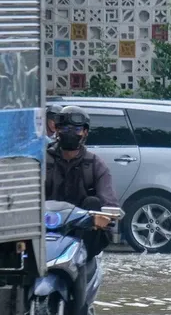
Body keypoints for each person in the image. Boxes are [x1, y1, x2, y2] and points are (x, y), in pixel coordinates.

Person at [45, 106, 118, 262]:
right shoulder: (42, 160)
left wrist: (104, 217)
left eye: (76, 129)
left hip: (83, 234)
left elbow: (109, 204)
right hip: (47, 228)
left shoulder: (95, 164)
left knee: (93, 202)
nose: (70, 132)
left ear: (85, 132)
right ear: (56, 130)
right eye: (65, 128)